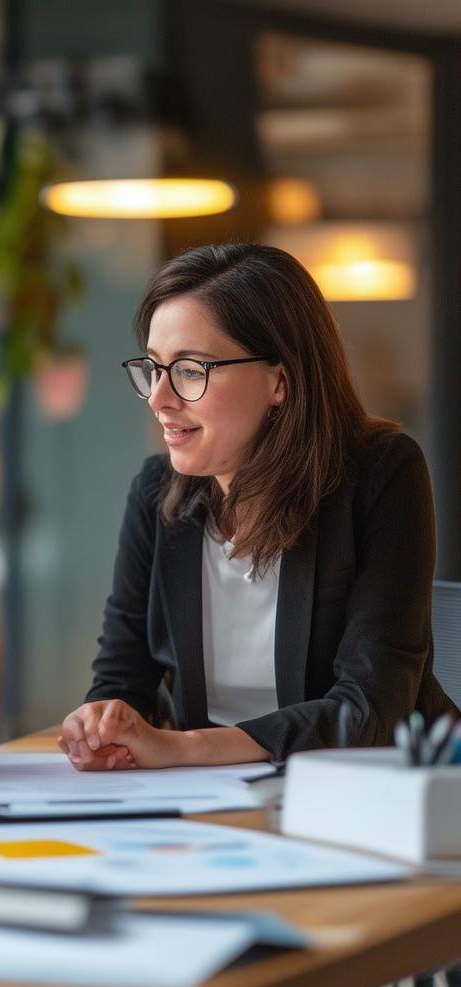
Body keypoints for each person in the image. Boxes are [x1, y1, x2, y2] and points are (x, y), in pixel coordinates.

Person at [59, 242, 453, 772]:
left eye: (191, 371)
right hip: (208, 799)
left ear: (280, 382)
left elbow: (370, 713)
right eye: (153, 369)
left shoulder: (382, 474)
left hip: (369, 796)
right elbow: (123, 679)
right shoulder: (156, 493)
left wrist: (185, 748)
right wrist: (103, 721)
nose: (159, 398)